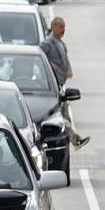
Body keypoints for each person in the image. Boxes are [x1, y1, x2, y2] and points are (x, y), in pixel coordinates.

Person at [41, 17, 90, 149]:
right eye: (61, 27)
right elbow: (40, 56)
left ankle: (75, 140)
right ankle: (75, 140)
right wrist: (51, 66)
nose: (64, 30)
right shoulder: (48, 43)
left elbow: (65, 59)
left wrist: (69, 70)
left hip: (61, 85)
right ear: (54, 27)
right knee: (62, 117)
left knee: (65, 117)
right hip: (54, 87)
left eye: (64, 27)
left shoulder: (60, 43)